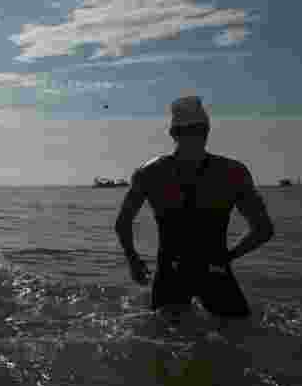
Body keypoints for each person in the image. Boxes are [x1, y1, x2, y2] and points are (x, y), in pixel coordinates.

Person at [115, 96, 275, 319]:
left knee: (163, 345)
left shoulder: (149, 173)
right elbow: (263, 229)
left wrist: (133, 260)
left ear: (172, 133)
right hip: (215, 270)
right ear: (207, 130)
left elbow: (122, 222)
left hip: (170, 273)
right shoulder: (233, 172)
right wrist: (227, 257)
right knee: (237, 341)